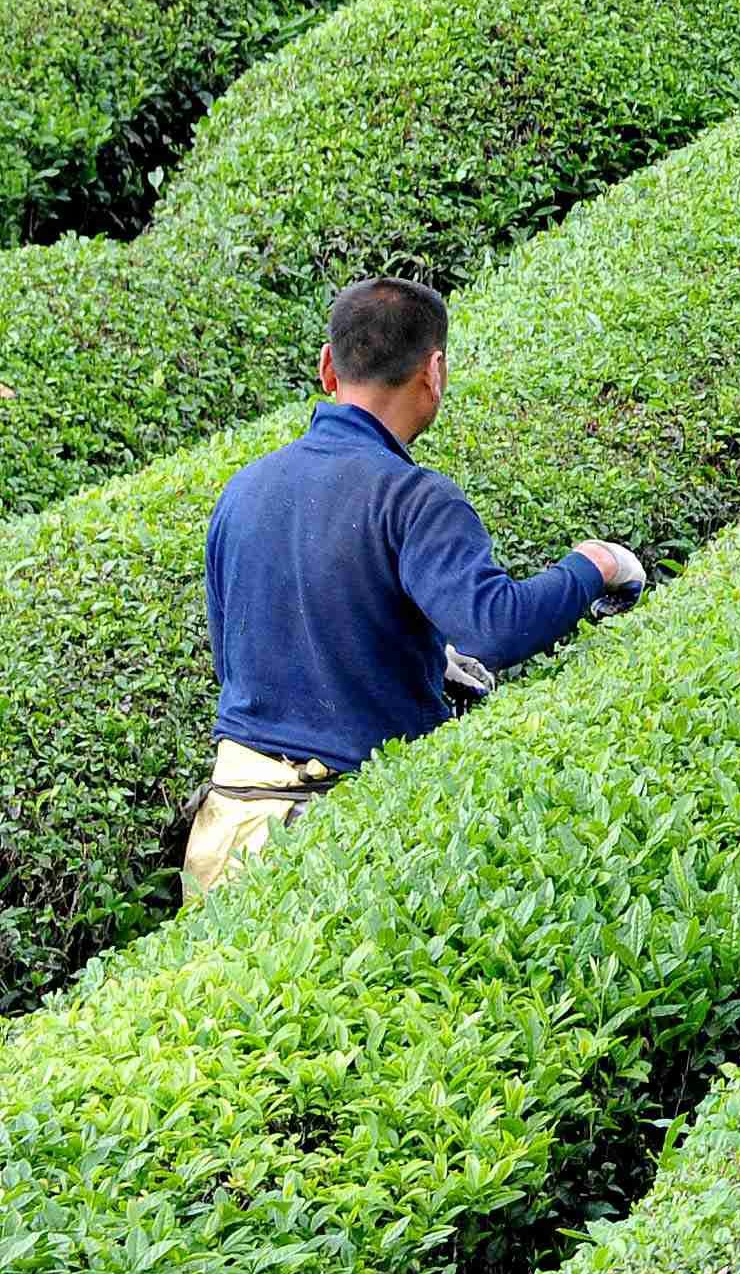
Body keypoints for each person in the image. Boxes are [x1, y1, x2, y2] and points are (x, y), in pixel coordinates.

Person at [192, 278, 647, 900]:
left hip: (225, 830)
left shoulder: (241, 491)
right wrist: (591, 567)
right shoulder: (413, 498)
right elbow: (495, 625)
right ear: (434, 372)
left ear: (329, 366)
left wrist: (428, 664)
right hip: (335, 838)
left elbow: (239, 660)